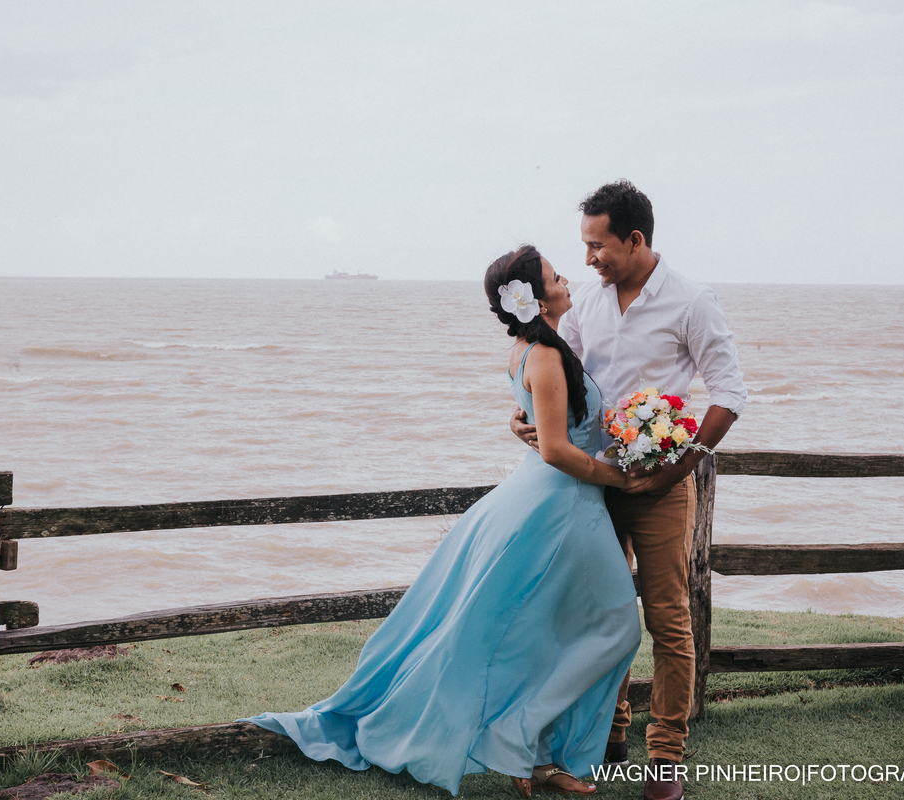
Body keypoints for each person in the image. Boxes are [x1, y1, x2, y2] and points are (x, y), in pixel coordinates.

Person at [244, 245, 645, 797]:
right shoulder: (546, 357)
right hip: (560, 508)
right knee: (617, 624)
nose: (566, 278)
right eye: (556, 275)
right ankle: (519, 737)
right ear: (534, 296)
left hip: (547, 501)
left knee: (552, 629)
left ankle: (536, 752)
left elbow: (542, 427)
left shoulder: (530, 349)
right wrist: (622, 478)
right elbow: (554, 449)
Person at [512, 181, 746, 800]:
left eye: (597, 245)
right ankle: (609, 731)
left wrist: (681, 466)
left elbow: (729, 394)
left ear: (635, 239)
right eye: (585, 246)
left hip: (664, 485)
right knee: (601, 613)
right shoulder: (587, 304)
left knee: (668, 617)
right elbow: (569, 380)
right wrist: (529, 421)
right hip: (591, 485)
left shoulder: (692, 300)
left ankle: (666, 753)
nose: (588, 258)